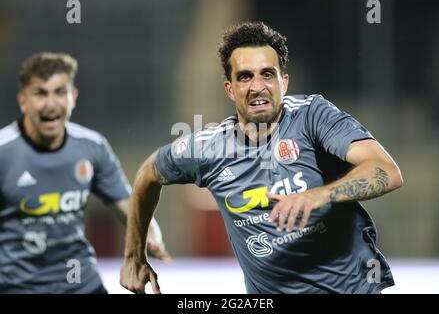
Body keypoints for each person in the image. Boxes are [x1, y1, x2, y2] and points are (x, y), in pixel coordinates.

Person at [120, 22, 403, 294]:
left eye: (267, 74)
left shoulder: (313, 116)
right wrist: (134, 255)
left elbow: (386, 171)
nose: (258, 86)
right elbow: (148, 173)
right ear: (230, 89)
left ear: (284, 82)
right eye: (245, 76)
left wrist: (321, 195)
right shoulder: (208, 149)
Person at [0, 52, 171, 294]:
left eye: (60, 92)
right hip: (18, 287)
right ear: (23, 101)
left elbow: (129, 206)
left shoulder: (92, 146)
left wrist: (151, 235)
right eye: (40, 93)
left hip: (81, 284)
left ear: (73, 97)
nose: (51, 104)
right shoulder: (4, 152)